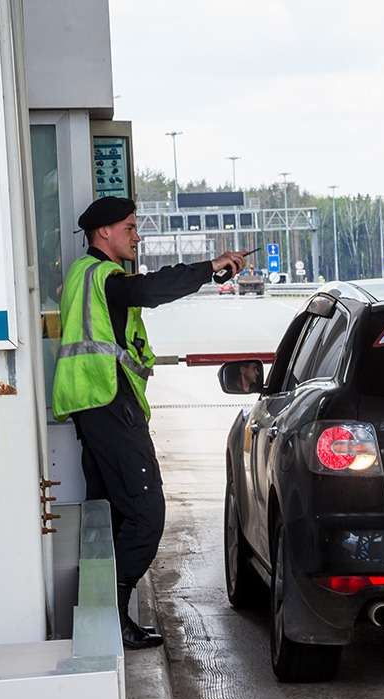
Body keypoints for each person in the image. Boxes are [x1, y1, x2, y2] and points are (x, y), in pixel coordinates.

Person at [51, 196, 248, 649]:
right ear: (104, 233)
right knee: (145, 513)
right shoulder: (106, 277)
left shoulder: (82, 276)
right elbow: (148, 291)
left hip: (92, 406)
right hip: (109, 401)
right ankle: (111, 618)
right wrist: (207, 268)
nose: (136, 236)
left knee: (110, 514)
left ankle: (103, 621)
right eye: (129, 227)